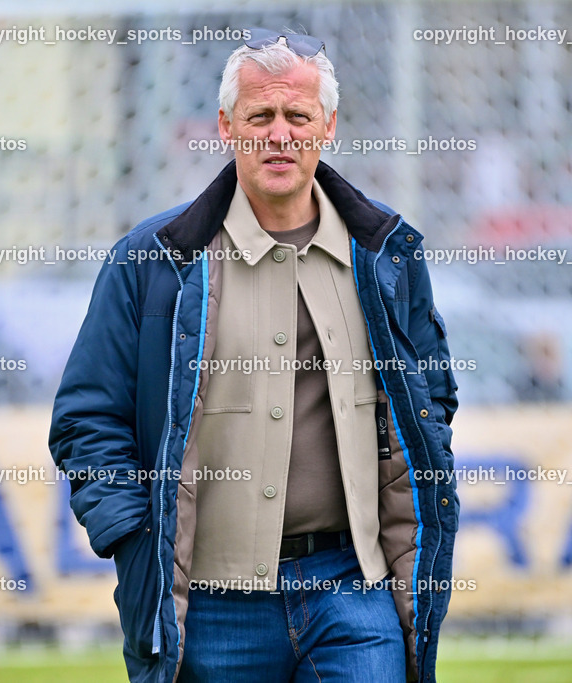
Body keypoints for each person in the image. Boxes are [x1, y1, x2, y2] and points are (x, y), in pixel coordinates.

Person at [50, 29, 458, 683]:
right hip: (210, 607)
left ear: (327, 125)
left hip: (354, 594)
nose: (278, 135)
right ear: (225, 126)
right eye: (259, 116)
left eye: (296, 116)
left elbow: (431, 399)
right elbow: (87, 418)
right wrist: (136, 540)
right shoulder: (152, 260)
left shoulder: (386, 253)